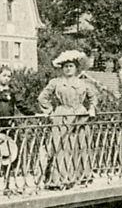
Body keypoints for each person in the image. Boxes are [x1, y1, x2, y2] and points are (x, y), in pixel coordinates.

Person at [38, 50, 97, 190]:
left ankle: (82, 177)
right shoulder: (56, 83)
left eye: (71, 66)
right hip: (62, 116)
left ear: (76, 68)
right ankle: (60, 179)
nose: (68, 69)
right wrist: (50, 112)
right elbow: (42, 98)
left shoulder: (84, 83)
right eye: (65, 66)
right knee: (62, 147)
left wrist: (91, 109)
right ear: (62, 69)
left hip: (80, 117)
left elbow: (93, 98)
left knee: (81, 146)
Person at [0, 65, 36, 194]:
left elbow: (21, 105)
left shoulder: (12, 92)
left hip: (9, 127)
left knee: (9, 156)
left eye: (8, 76)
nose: (6, 78)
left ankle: (7, 186)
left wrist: (34, 113)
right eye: (4, 75)